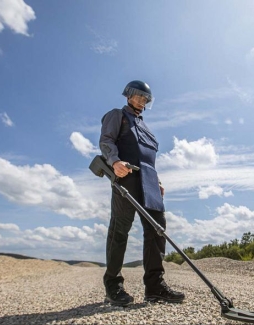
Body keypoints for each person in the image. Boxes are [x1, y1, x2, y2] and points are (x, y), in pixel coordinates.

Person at [99, 80, 185, 306]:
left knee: (158, 230)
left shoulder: (147, 128)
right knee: (120, 231)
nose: (141, 100)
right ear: (129, 96)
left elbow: (148, 158)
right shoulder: (117, 115)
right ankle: (113, 286)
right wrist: (114, 161)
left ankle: (155, 287)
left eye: (145, 98)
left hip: (149, 182)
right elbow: (106, 141)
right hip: (126, 177)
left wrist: (157, 180)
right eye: (138, 96)